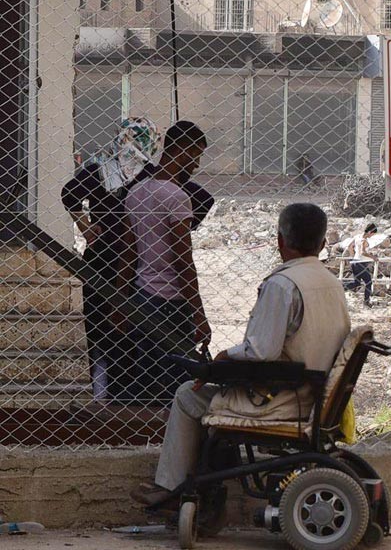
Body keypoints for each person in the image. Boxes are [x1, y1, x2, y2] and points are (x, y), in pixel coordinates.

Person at [130, 203, 351, 506]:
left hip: (283, 400)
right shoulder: (331, 284)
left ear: (280, 241)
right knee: (211, 392)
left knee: (188, 395)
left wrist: (222, 358)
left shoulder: (283, 285)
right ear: (323, 243)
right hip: (315, 395)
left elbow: (261, 352)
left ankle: (172, 487)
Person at [61, 118, 215, 402]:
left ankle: (105, 393)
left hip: (107, 259)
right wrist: (175, 227)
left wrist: (87, 225)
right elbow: (201, 199)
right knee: (135, 337)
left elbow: (68, 194)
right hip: (132, 266)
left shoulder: (107, 170)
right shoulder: (151, 177)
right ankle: (133, 397)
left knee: (104, 330)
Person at [116, 120, 210, 405]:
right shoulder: (178, 197)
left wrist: (121, 301)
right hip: (173, 303)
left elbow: (128, 253)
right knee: (176, 385)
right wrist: (198, 313)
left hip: (144, 297)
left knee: (146, 378)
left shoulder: (137, 192)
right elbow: (183, 260)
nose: (196, 165)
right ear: (181, 150)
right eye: (195, 155)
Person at [343, 223, 377, 308]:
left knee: (356, 282)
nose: (372, 236)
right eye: (372, 234)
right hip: (361, 263)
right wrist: (373, 257)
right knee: (368, 282)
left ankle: (341, 286)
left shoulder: (357, 237)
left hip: (355, 262)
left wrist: (353, 256)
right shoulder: (363, 240)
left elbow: (349, 247)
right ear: (369, 232)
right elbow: (363, 252)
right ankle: (366, 301)